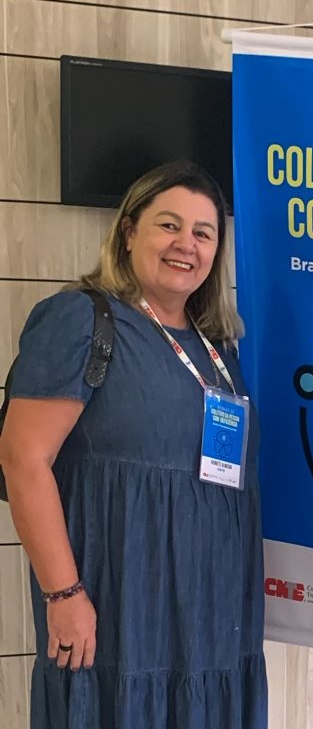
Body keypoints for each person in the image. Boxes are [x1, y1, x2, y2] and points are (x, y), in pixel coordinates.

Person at [0, 161, 267, 728]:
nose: (186, 244)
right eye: (169, 225)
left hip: (211, 619)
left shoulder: (216, 346)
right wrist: (63, 594)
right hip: (122, 606)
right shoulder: (81, 319)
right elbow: (23, 458)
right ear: (128, 232)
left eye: (203, 233)